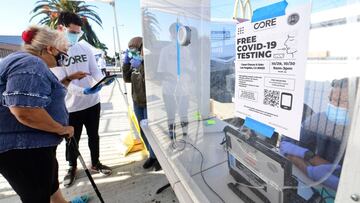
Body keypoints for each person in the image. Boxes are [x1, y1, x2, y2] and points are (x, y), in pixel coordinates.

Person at [0, 25, 88, 203]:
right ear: (50, 49)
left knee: (50, 185)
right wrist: (61, 128)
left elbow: (43, 96)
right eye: (63, 53)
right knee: (38, 196)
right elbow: (24, 111)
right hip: (24, 149)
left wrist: (68, 80)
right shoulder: (30, 63)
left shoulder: (27, 62)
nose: (63, 59)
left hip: (34, 144)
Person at [53, 11, 113, 188]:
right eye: (72, 32)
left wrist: (101, 81)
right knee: (72, 139)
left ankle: (95, 163)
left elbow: (94, 71)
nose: (76, 36)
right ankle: (72, 167)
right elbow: (63, 82)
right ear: (61, 28)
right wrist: (83, 91)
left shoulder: (84, 48)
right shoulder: (56, 52)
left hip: (93, 103)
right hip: (70, 107)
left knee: (94, 135)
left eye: (78, 32)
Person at [280, 78, 354, 190]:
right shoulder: (320, 119)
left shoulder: (355, 131)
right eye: (331, 100)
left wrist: (308, 165)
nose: (334, 105)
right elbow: (286, 145)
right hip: (315, 186)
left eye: (341, 102)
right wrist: (309, 157)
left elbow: (351, 181)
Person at [122, 37, 161, 170]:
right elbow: (127, 79)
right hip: (137, 101)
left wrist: (142, 65)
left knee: (153, 131)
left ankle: (159, 158)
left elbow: (153, 80)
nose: (132, 51)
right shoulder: (133, 62)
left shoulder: (151, 61)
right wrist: (126, 63)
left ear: (142, 48)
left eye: (135, 49)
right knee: (143, 131)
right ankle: (152, 155)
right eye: (130, 49)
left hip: (150, 101)